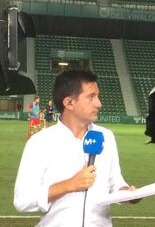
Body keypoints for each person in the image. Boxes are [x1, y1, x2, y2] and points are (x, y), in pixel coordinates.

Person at [14, 69, 138, 227]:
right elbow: (22, 200)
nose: (99, 103)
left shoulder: (106, 136)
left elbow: (116, 181)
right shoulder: (40, 142)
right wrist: (70, 184)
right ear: (69, 103)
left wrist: (127, 193)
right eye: (91, 97)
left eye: (97, 96)